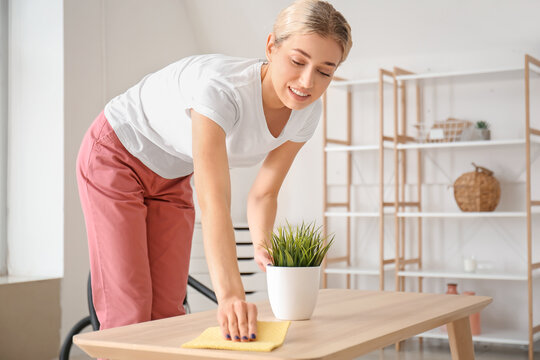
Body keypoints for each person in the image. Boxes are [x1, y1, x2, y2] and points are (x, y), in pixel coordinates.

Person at [76, 0, 352, 344]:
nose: (307, 81)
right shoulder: (223, 89)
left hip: (173, 173)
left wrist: (262, 243)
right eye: (297, 61)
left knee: (168, 311)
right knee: (129, 311)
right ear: (271, 46)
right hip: (116, 154)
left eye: (325, 71)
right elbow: (214, 200)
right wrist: (232, 294)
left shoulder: (306, 112)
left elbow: (264, 192)